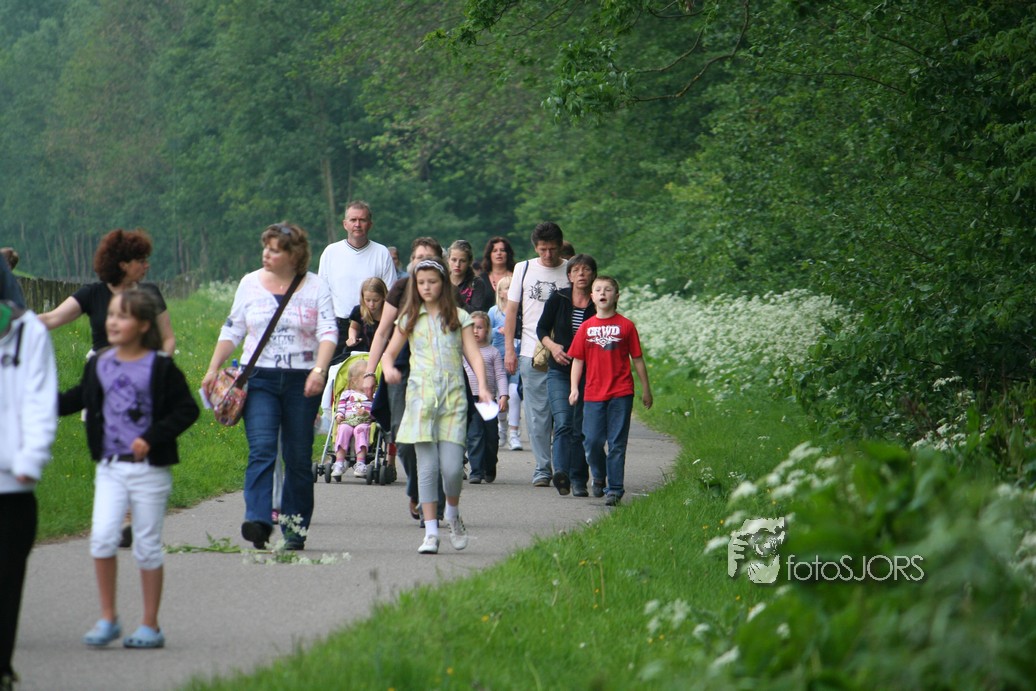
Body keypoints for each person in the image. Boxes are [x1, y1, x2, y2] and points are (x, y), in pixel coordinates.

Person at [58, 289, 199, 649]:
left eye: (123, 316)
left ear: (144, 325)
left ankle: (150, 625)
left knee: (146, 546)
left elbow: (187, 410)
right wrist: (40, 401)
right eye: (111, 316)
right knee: (103, 538)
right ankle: (108, 619)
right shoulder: (99, 363)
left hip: (149, 470)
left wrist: (151, 437)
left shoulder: (161, 367)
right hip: (110, 468)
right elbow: (79, 397)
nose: (113, 322)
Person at [202, 222, 336, 551]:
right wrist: (213, 368)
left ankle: (294, 528)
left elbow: (328, 331)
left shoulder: (315, 286)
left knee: (297, 456)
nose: (266, 254)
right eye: (266, 247)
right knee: (262, 449)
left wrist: (320, 371)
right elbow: (233, 329)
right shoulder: (250, 283)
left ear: (294, 255)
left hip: (302, 381)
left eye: (275, 250)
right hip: (259, 378)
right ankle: (259, 520)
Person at [380, 257, 492, 555]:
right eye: (421, 283)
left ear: (443, 284)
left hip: (453, 399)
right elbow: (389, 353)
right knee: (427, 469)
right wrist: (388, 368)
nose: (426, 287)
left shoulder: (459, 317)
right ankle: (431, 533)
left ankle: (452, 513)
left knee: (453, 469)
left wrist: (483, 387)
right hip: (420, 399)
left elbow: (474, 355)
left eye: (432, 282)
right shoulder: (409, 317)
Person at [363, 237, 446, 523]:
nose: (423, 262)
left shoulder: (448, 294)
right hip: (399, 371)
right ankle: (416, 487)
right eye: (418, 257)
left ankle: (432, 501)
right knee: (402, 435)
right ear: (412, 261)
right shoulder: (400, 289)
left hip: (437, 373)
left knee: (433, 437)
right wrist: (370, 372)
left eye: (429, 257)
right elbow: (383, 332)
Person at [0, 301, 56, 687]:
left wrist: (31, 457)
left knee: (6, 579)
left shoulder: (28, 331)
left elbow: (40, 399)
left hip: (12, 484)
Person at [568, 276, 653, 506]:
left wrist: (646, 389)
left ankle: (614, 489)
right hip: (593, 393)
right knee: (592, 441)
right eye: (598, 290)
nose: (602, 293)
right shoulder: (586, 327)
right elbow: (578, 360)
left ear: (616, 296)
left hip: (621, 392)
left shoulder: (626, 326)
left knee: (617, 443)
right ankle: (599, 474)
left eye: (608, 289)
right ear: (592, 297)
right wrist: (574, 388)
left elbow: (637, 359)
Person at [39, 229, 175, 356]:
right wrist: (26, 321)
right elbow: (51, 318)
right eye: (141, 261)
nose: (146, 265)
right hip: (101, 368)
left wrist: (158, 365)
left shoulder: (150, 293)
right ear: (123, 265)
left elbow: (167, 338)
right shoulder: (92, 294)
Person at [504, 222, 570, 486]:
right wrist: (510, 349)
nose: (548, 255)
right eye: (543, 249)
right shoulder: (523, 269)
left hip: (566, 352)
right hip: (531, 351)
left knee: (564, 413)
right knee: (537, 414)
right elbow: (511, 312)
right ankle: (543, 468)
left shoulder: (572, 269)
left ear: (561, 246)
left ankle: (564, 465)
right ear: (535, 247)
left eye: (552, 249)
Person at [536, 254, 597, 497]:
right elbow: (541, 328)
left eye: (586, 269)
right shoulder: (558, 298)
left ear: (593, 274)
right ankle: (561, 473)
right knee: (563, 422)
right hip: (560, 371)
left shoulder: (599, 301)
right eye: (576, 270)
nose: (581, 274)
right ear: (569, 275)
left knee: (580, 428)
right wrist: (553, 347)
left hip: (590, 374)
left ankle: (579, 479)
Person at [318, 201, 397, 360]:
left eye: (362, 220)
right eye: (353, 220)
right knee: (334, 372)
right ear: (345, 224)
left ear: (370, 224)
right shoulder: (331, 252)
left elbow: (391, 295)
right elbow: (321, 294)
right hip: (338, 326)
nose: (357, 224)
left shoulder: (381, 253)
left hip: (372, 327)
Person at [462, 311, 509, 484]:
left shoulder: (493, 352)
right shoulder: (463, 352)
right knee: (474, 435)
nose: (475, 331)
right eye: (472, 327)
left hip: (488, 400)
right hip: (470, 399)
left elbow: (500, 375)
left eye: (480, 327)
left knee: (491, 437)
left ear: (488, 330)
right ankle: (476, 471)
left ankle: (489, 465)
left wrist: (503, 395)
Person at [488, 276, 523, 450]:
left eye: (514, 287)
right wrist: (497, 330)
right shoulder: (494, 312)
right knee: (501, 396)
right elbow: (485, 332)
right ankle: (502, 427)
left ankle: (514, 433)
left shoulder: (521, 311)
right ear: (500, 292)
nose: (511, 290)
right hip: (497, 360)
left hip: (517, 359)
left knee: (514, 393)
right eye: (507, 287)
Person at [331, 360, 374, 480]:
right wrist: (339, 415)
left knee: (360, 430)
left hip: (364, 421)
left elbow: (376, 413)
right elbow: (341, 407)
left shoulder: (372, 395)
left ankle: (360, 462)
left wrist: (367, 413)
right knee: (343, 429)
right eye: (365, 376)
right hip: (348, 421)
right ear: (354, 380)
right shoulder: (346, 394)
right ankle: (339, 462)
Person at [343, 277, 387, 357]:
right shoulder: (359, 311)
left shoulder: (391, 312)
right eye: (368, 300)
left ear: (384, 297)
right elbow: (354, 328)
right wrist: (352, 337)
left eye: (376, 300)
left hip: (386, 353)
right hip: (365, 352)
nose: (371, 304)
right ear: (362, 298)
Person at [447, 240, 490, 314]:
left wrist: (459, 300)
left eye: (462, 261)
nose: (457, 265)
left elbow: (476, 313)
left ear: (469, 262)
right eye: (454, 260)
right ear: (448, 260)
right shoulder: (442, 280)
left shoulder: (476, 283)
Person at [476, 236, 515, 312]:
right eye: (495, 251)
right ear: (489, 254)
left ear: (508, 254)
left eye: (502, 250)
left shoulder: (516, 276)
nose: (499, 253)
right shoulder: (481, 279)